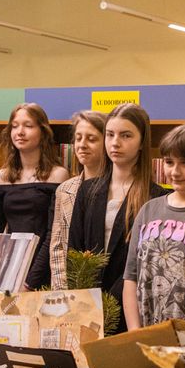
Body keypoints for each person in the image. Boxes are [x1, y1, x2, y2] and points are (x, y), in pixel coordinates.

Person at [68, 103, 166, 333]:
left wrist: (113, 300)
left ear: (142, 142)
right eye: (110, 135)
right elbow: (74, 249)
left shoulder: (156, 198)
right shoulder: (88, 190)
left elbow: (146, 263)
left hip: (130, 309)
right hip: (86, 305)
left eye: (126, 135)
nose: (115, 143)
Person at [124, 124, 185, 330]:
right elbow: (131, 277)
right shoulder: (148, 209)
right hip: (146, 334)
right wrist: (134, 332)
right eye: (169, 162)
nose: (175, 171)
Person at [0, 103, 69, 290]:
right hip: (9, 270)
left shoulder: (58, 175)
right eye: (15, 126)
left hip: (45, 270)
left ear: (43, 132)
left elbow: (53, 234)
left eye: (28, 126)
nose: (20, 132)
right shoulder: (1, 177)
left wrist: (30, 281)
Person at [50, 110, 109, 290]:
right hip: (72, 289)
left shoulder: (116, 189)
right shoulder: (65, 190)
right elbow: (57, 246)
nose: (82, 145)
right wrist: (61, 292)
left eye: (91, 139)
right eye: (78, 138)